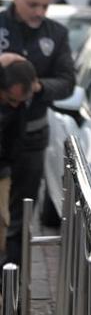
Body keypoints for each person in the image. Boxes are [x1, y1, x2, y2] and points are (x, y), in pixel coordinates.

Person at [0, 0, 75, 266]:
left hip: (32, 136)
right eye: (32, 4)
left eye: (45, 6)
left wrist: (38, 87)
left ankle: (14, 276)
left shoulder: (56, 33)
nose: (39, 12)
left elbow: (67, 82)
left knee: (22, 212)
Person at [0, 54, 36, 257]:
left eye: (20, 101)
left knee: (3, 223)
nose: (14, 105)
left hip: (2, 170)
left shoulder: (18, 108)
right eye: (11, 99)